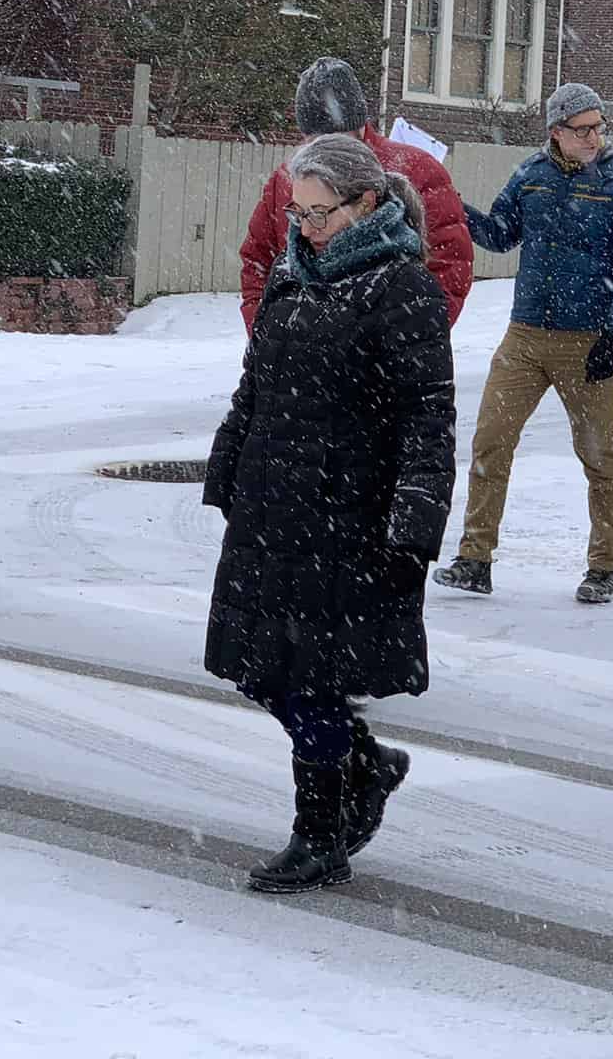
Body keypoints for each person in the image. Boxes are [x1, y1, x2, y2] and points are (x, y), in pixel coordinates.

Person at [204, 134, 455, 893]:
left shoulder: (401, 288)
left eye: (321, 214)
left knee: (308, 676)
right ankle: (367, 764)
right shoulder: (294, 273)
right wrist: (229, 461)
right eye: (299, 213)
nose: (305, 227)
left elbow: (428, 412)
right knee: (256, 667)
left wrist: (416, 515)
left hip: (347, 514)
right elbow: (256, 384)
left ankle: (319, 834)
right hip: (271, 505)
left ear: (367, 204)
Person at [433, 82, 613, 604]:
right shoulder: (530, 177)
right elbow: (499, 234)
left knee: (600, 455)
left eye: (600, 127)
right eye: (584, 129)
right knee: (490, 439)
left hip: (590, 340)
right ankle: (475, 559)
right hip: (525, 336)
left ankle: (604, 567)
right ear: (557, 132)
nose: (595, 137)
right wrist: (449, 204)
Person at [238, 57, 473, 334]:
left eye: (336, 137)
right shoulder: (286, 179)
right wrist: (270, 340)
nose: (326, 152)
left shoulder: (416, 170)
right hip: (299, 357)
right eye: (315, 140)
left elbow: (449, 265)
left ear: (358, 125)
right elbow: (257, 263)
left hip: (383, 359)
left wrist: (407, 340)